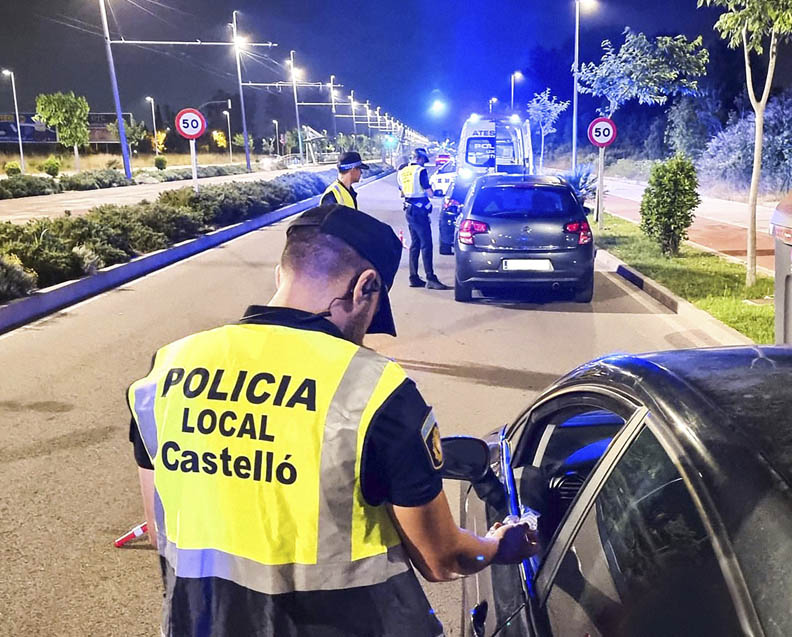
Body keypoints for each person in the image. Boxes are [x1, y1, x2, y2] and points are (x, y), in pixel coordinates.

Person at [127, 204, 538, 637]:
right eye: (373, 312)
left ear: (281, 273)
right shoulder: (376, 391)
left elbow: (161, 532)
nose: (365, 332)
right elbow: (442, 559)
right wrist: (496, 545)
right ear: (366, 286)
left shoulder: (167, 370)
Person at [398, 148, 449, 289]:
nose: (424, 164)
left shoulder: (402, 172)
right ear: (420, 158)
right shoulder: (420, 171)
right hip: (420, 212)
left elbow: (402, 192)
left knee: (415, 244)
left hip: (409, 210)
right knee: (426, 244)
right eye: (424, 161)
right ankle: (430, 278)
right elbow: (430, 193)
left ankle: (413, 277)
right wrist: (434, 193)